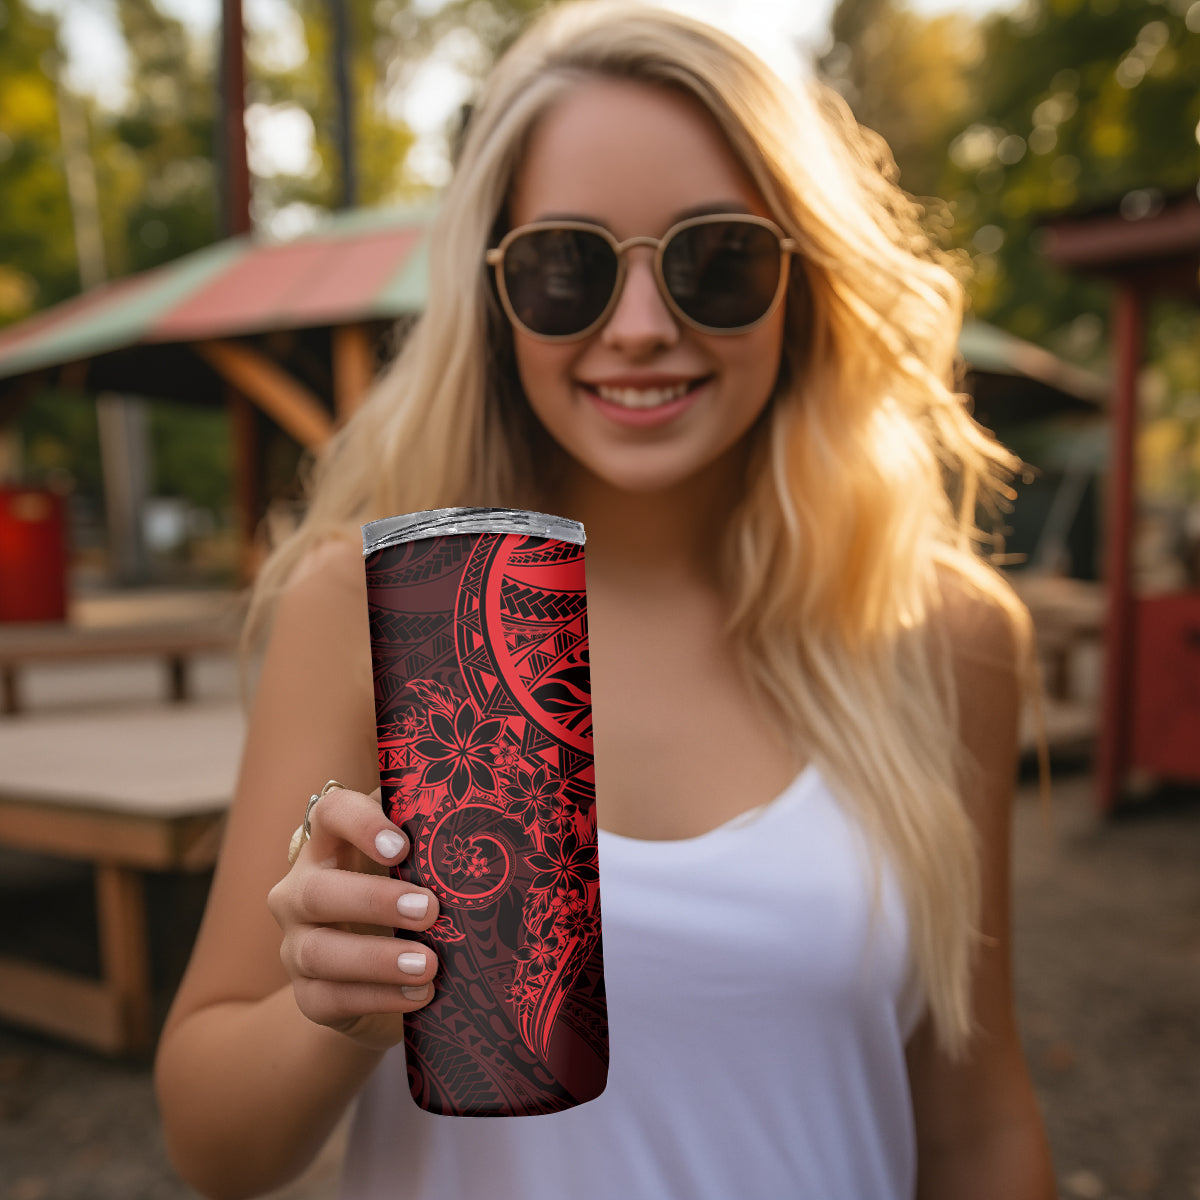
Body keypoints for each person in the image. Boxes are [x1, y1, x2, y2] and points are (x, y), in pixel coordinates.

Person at [154, 3, 1057, 1197]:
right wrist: (336, 1006)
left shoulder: (941, 635)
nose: (640, 329)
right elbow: (212, 1145)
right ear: (493, 294)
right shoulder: (373, 609)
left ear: (806, 283)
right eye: (567, 266)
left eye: (716, 261)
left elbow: (977, 1127)